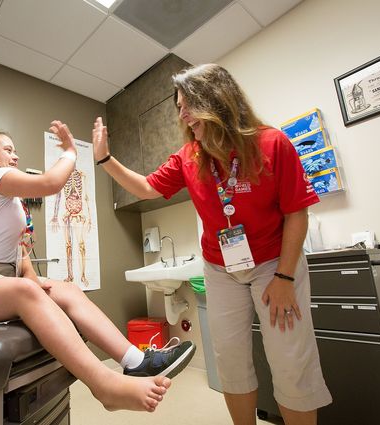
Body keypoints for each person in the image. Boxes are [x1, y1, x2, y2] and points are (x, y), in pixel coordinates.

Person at [92, 65, 332, 424]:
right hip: (220, 268)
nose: (183, 114)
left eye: (188, 103)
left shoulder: (271, 143)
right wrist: (104, 159)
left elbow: (297, 213)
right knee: (230, 360)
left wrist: (284, 278)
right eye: (179, 107)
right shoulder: (189, 156)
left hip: (273, 264)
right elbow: (146, 187)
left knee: (290, 360)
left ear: (216, 100)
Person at [0, 121, 196, 413]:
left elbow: (19, 251)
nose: (15, 157)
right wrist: (69, 151)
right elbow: (51, 183)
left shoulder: (10, 201)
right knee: (26, 291)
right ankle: (104, 386)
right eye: (8, 150)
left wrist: (33, 279)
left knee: (66, 290)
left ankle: (135, 361)